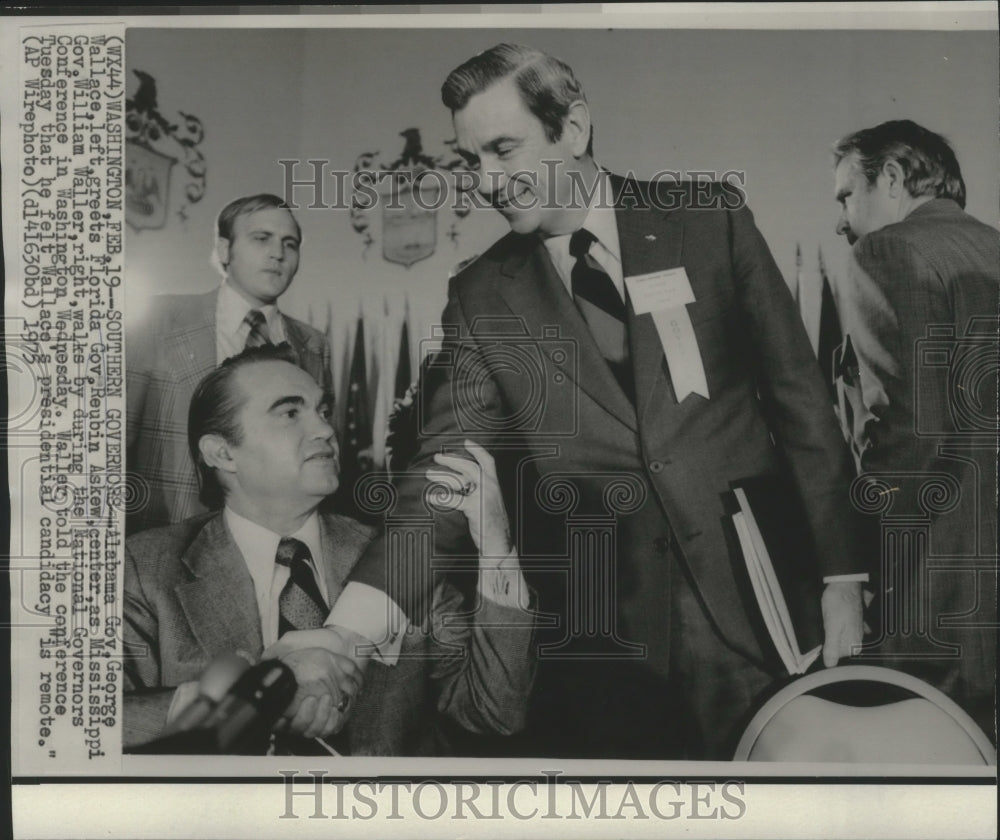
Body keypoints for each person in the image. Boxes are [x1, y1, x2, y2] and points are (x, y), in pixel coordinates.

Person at [319, 43, 868, 760]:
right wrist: (345, 630)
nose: (486, 181)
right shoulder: (482, 294)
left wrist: (843, 575)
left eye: (504, 150)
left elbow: (802, 401)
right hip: (604, 645)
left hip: (760, 609)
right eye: (471, 158)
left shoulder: (706, 222)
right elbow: (440, 475)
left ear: (573, 129)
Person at [123, 344, 535, 754]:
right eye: (289, 413)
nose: (325, 429)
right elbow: (88, 724)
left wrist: (497, 546)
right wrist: (262, 694)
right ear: (223, 452)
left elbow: (494, 712)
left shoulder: (399, 560)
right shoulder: (144, 568)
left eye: (322, 411)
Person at [832, 119, 998, 738]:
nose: (841, 220)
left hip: (940, 586)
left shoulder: (886, 251)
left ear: (893, 179)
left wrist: (854, 566)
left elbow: (907, 433)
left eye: (846, 196)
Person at [125, 193, 332, 534]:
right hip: (166, 539)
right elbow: (110, 449)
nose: (277, 253)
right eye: (261, 238)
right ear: (224, 249)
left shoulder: (312, 344)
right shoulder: (159, 320)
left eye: (290, 243)